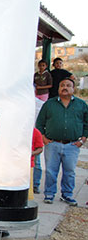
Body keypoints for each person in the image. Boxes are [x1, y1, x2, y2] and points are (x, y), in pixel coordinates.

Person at [36, 77, 88, 206]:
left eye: (68, 85)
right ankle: (49, 194)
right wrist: (43, 138)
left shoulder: (81, 105)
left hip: (72, 145)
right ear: (58, 88)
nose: (65, 87)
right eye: (62, 85)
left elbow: (86, 123)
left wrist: (83, 139)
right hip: (52, 144)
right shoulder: (49, 104)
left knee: (69, 172)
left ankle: (67, 195)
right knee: (50, 171)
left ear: (73, 89)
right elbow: (40, 122)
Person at [30, 128, 44, 199]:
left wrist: (31, 153)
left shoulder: (35, 132)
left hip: (29, 166)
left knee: (28, 195)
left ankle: (35, 185)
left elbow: (40, 148)